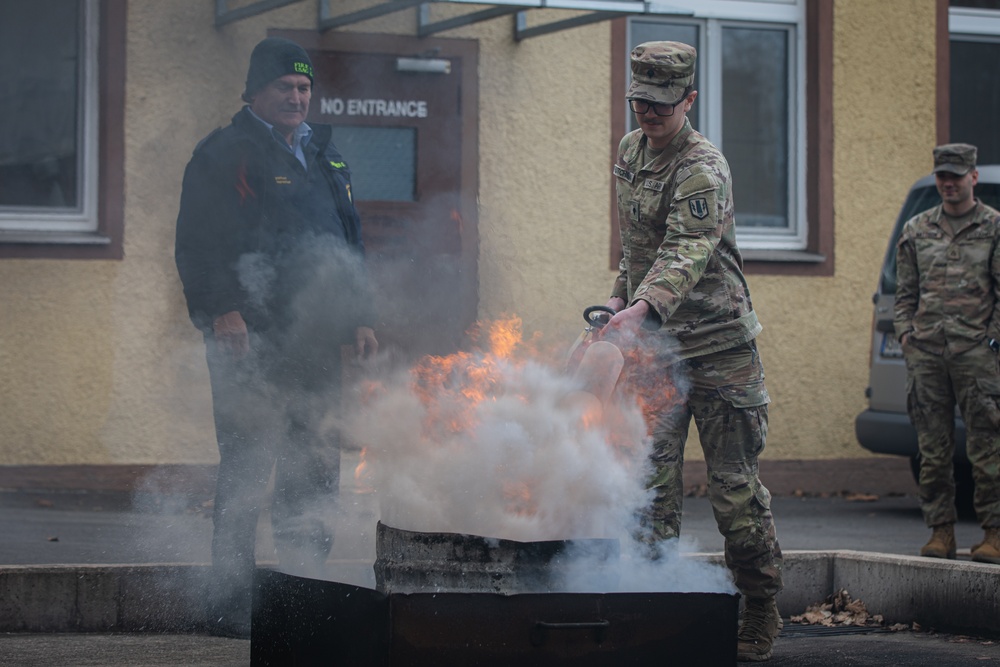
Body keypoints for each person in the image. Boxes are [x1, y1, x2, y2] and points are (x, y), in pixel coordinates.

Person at [175, 36, 378, 637]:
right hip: (248, 338)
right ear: (256, 93)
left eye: (303, 87)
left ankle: (303, 593)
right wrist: (222, 311)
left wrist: (359, 316)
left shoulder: (326, 157)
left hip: (314, 341)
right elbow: (198, 243)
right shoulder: (224, 153)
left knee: (312, 464)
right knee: (246, 464)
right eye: (283, 87)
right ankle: (230, 603)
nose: (296, 96)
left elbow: (349, 244)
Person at [601, 41, 783, 662]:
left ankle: (760, 607)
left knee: (733, 493)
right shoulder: (629, 152)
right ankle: (654, 607)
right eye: (639, 102)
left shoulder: (702, 165)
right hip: (657, 349)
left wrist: (641, 311)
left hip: (721, 349)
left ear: (689, 100)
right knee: (649, 487)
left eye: (661, 104)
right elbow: (636, 247)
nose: (647, 115)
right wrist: (615, 311)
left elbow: (686, 251)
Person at [894, 143, 1000, 565]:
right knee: (932, 450)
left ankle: (993, 533)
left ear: (973, 177)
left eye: (956, 176)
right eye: (942, 176)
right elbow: (905, 293)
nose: (948, 184)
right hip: (928, 355)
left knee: (987, 447)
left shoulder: (993, 228)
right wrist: (905, 334)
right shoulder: (917, 229)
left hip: (976, 354)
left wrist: (993, 340)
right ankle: (941, 532)